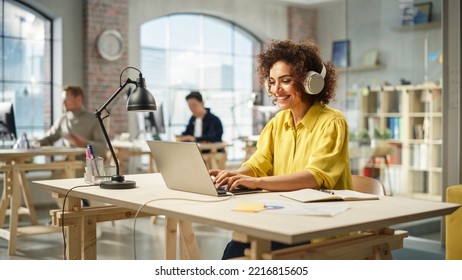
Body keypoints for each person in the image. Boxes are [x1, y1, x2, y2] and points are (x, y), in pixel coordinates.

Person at [210, 39, 353, 259]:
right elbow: (258, 165)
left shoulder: (332, 122)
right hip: (286, 219)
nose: (276, 89)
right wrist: (232, 176)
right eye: (272, 81)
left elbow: (314, 177)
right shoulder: (278, 122)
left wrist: (256, 183)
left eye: (285, 81)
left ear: (309, 82)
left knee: (244, 250)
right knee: (237, 246)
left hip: (320, 227)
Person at [38, 85, 108, 159]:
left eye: (66, 98)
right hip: (67, 164)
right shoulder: (62, 119)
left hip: (86, 166)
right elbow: (49, 137)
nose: (63, 102)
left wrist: (85, 144)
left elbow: (103, 149)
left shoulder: (93, 119)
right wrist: (37, 142)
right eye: (62, 99)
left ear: (78, 99)